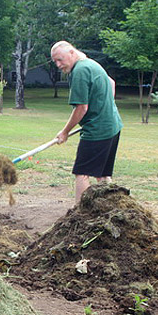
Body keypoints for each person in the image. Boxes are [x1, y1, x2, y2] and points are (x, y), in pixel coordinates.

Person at [51, 41, 123, 205]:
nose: (58, 65)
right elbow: (111, 83)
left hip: (97, 131)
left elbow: (81, 108)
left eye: (60, 60)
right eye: (55, 61)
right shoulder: (91, 64)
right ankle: (113, 207)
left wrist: (65, 132)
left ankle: (79, 214)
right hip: (113, 125)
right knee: (102, 174)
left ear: (71, 53)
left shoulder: (80, 71)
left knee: (82, 173)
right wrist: (105, 107)